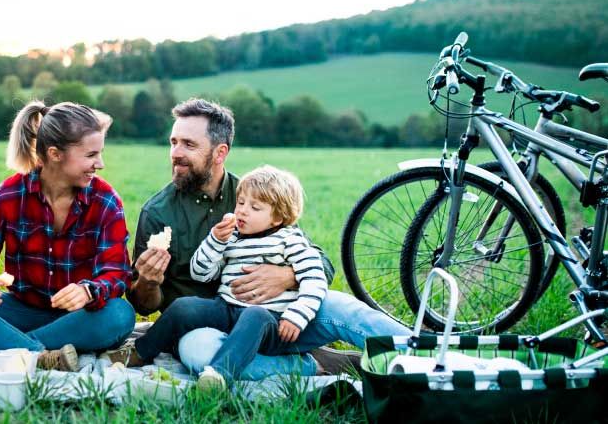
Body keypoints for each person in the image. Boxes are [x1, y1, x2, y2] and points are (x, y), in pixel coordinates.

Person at [123, 98, 410, 378]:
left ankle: (432, 353)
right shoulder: (157, 212)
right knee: (199, 354)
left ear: (220, 152)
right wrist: (148, 280)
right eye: (173, 142)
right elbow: (144, 305)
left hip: (278, 316)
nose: (176, 153)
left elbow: (317, 260)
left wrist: (287, 276)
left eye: (188, 144)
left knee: (345, 308)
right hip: (207, 325)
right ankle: (314, 365)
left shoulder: (253, 194)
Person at [0, 101, 135, 372]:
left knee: (120, 315)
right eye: (91, 155)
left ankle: (11, 348)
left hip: (78, 318)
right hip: (19, 312)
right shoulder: (9, 195)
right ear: (56, 154)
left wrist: (88, 290)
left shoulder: (105, 201)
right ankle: (39, 354)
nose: (100, 164)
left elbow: (116, 273)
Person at [119, 165, 329, 390]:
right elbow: (200, 273)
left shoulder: (290, 240)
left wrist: (296, 316)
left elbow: (316, 279)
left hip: (270, 320)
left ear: (278, 218)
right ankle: (138, 352)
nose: (242, 211)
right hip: (227, 308)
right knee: (183, 306)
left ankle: (219, 374)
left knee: (254, 315)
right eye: (240, 203)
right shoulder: (234, 237)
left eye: (254, 207)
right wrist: (215, 241)